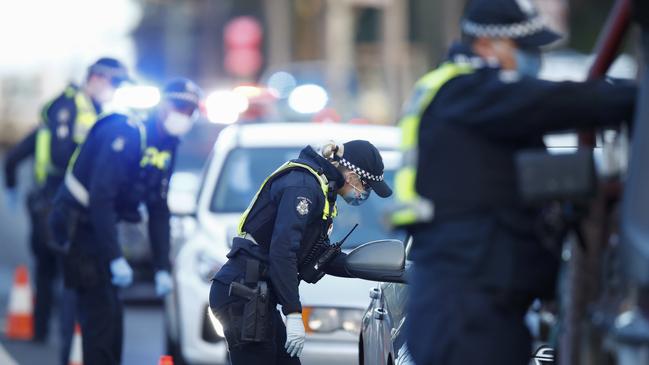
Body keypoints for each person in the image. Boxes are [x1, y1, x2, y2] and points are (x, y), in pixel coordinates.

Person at [392, 0, 637, 364]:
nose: (533, 60)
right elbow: (554, 102)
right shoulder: (466, 92)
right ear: (488, 46)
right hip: (465, 311)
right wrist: (630, 97)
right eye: (525, 49)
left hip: (481, 304)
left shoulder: (474, 101)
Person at [48, 78, 202, 365]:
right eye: (179, 106)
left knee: (111, 313)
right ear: (163, 105)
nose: (184, 115)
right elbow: (101, 199)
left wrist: (161, 266)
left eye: (190, 110)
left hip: (101, 226)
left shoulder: (168, 143)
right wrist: (115, 257)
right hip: (76, 224)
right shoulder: (127, 133)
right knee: (96, 311)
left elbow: (159, 207)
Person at [209, 140, 392, 365]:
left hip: (256, 293)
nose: (366, 193)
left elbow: (316, 254)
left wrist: (370, 266)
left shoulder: (321, 188)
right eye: (367, 186)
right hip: (243, 293)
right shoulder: (303, 187)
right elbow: (283, 251)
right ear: (353, 176)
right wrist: (293, 312)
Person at [2, 57, 129, 356]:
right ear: (96, 78)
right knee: (64, 274)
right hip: (55, 204)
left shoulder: (93, 110)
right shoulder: (68, 108)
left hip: (62, 204)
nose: (115, 90)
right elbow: (60, 157)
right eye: (115, 82)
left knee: (54, 272)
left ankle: (49, 332)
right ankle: (60, 341)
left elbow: (18, 154)